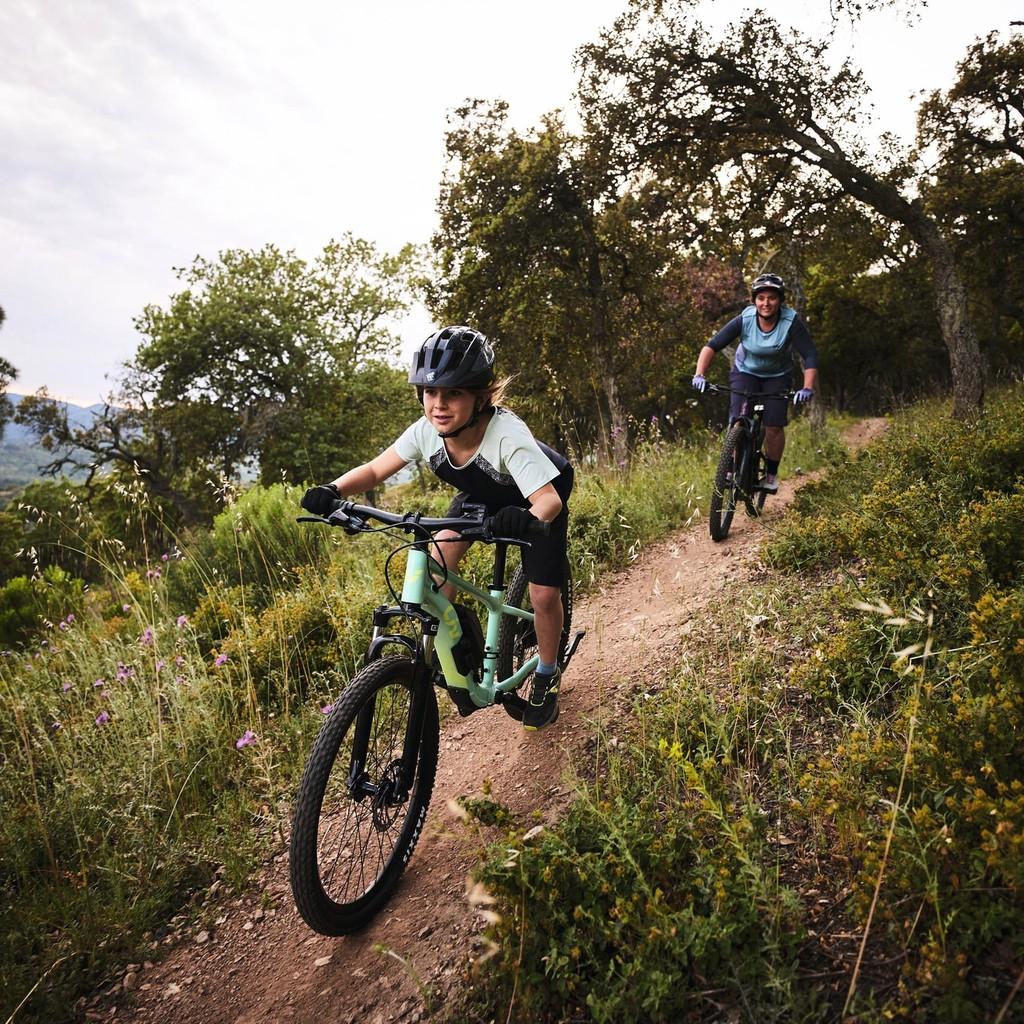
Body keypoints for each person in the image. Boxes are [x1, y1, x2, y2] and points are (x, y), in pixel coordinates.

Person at [301, 325, 573, 731]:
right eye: (430, 393)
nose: (438, 405)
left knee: (543, 593)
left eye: (453, 394)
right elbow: (377, 469)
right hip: (481, 494)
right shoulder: (427, 432)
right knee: (434, 566)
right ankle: (459, 645)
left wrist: (529, 518)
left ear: (480, 397)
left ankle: (548, 673)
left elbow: (549, 500)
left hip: (534, 493)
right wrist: (333, 489)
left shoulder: (507, 436)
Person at [691, 273, 818, 492]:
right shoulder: (745, 319)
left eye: (771, 298)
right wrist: (699, 374)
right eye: (761, 298)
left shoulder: (790, 322)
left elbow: (810, 356)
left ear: (780, 301)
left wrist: (807, 388)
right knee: (738, 419)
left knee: (774, 426)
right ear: (754, 301)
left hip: (778, 376)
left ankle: (770, 474)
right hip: (746, 372)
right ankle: (730, 469)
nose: (766, 303)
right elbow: (711, 346)